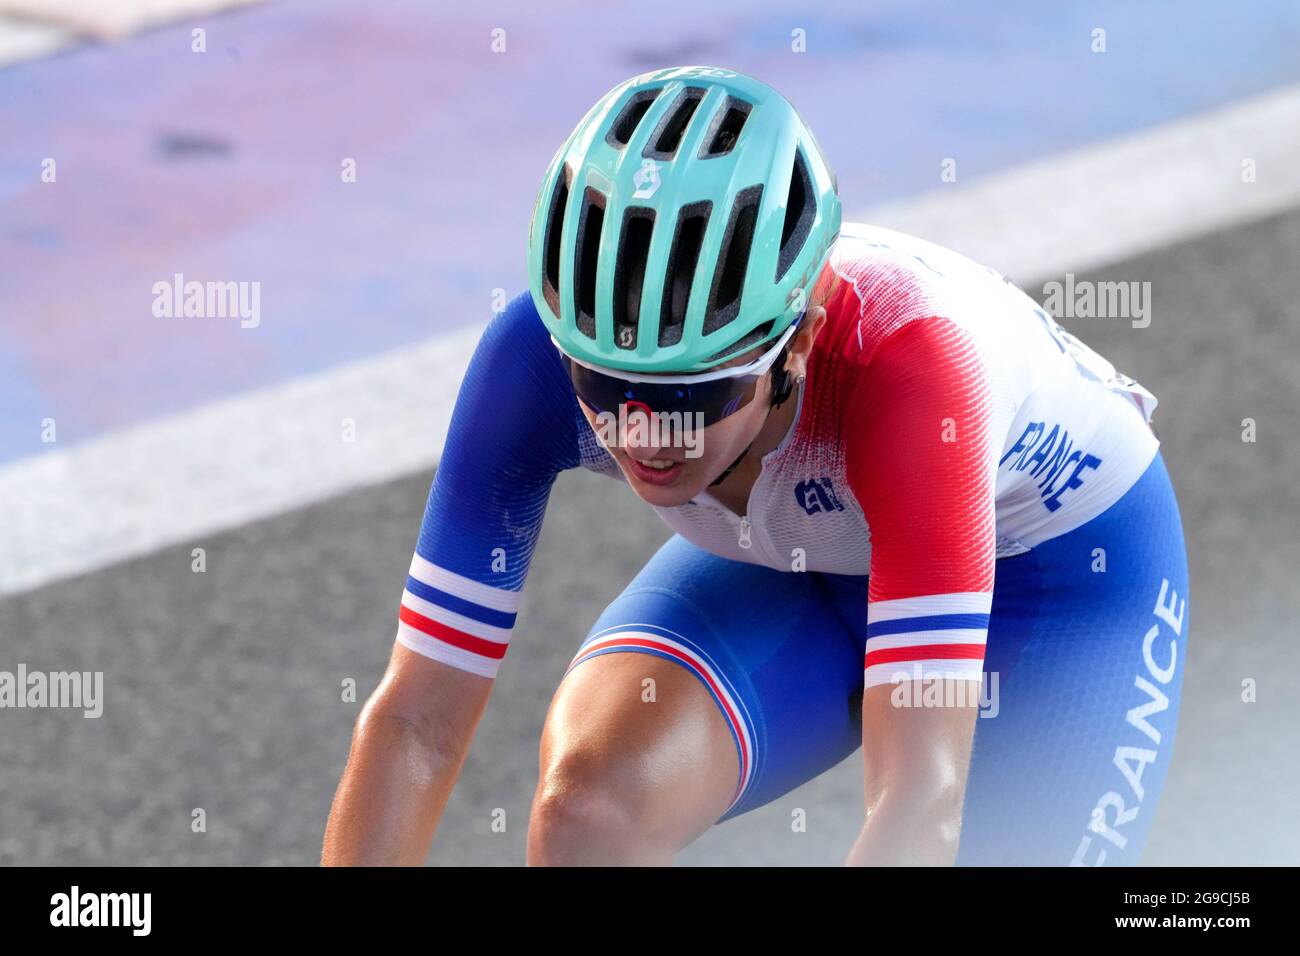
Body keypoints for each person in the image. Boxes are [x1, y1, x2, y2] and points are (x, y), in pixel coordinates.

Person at [322, 66, 1189, 866]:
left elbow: (919, 802)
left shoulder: (913, 372)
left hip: (1057, 579)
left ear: (799, 345)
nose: (643, 434)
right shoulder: (528, 360)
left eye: (691, 398)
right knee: (592, 813)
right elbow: (416, 720)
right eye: (603, 383)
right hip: (805, 551)